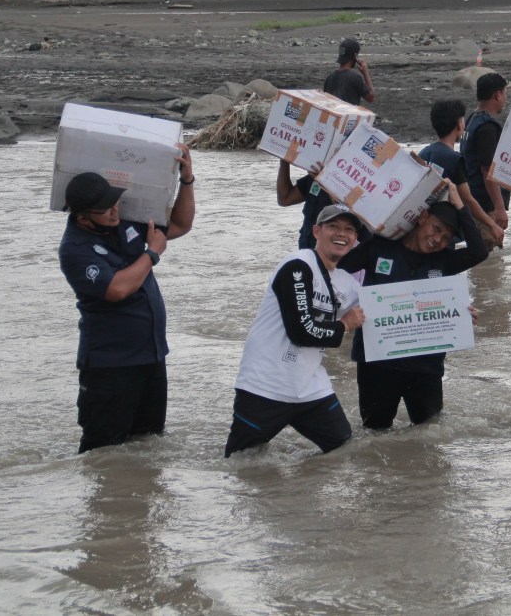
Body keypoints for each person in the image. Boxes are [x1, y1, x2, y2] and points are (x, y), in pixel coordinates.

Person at [58, 145, 196, 454]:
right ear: (82, 218)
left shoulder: (123, 223)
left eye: (114, 202)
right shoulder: (75, 249)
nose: (114, 210)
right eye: (105, 209)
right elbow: (117, 289)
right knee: (104, 454)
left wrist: (187, 181)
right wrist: (152, 253)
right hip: (110, 366)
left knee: (147, 447)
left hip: (150, 357)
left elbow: (180, 225)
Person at [338, 182, 489, 429]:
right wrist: (346, 310)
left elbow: (479, 252)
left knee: (428, 432)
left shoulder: (446, 261)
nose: (437, 239)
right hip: (377, 361)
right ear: (422, 218)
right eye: (436, 228)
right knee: (374, 433)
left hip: (425, 365)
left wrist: (461, 205)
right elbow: (338, 267)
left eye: (446, 237)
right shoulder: (379, 247)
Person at [225, 204, 366, 457]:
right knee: (240, 462)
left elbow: (391, 310)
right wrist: (344, 325)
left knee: (344, 450)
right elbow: (302, 331)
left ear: (356, 239)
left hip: (310, 386)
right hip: (265, 384)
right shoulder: (297, 266)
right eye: (333, 226)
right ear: (316, 231)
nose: (341, 234)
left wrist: (457, 309)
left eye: (349, 229)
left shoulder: (348, 283)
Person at [418, 99, 505, 248]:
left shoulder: (425, 152)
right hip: (443, 229)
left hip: (425, 226)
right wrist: (492, 225)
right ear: (459, 124)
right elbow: (469, 201)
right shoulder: (455, 159)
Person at [460, 73, 509, 248]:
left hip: (473, 199)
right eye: (505, 93)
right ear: (497, 94)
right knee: (486, 257)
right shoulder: (487, 127)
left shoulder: (472, 118)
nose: (505, 99)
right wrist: (500, 208)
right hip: (485, 205)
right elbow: (487, 170)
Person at [323, 38, 375, 106]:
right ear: (355, 55)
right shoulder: (355, 77)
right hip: (349, 115)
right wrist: (366, 73)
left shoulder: (329, 78)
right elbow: (371, 98)